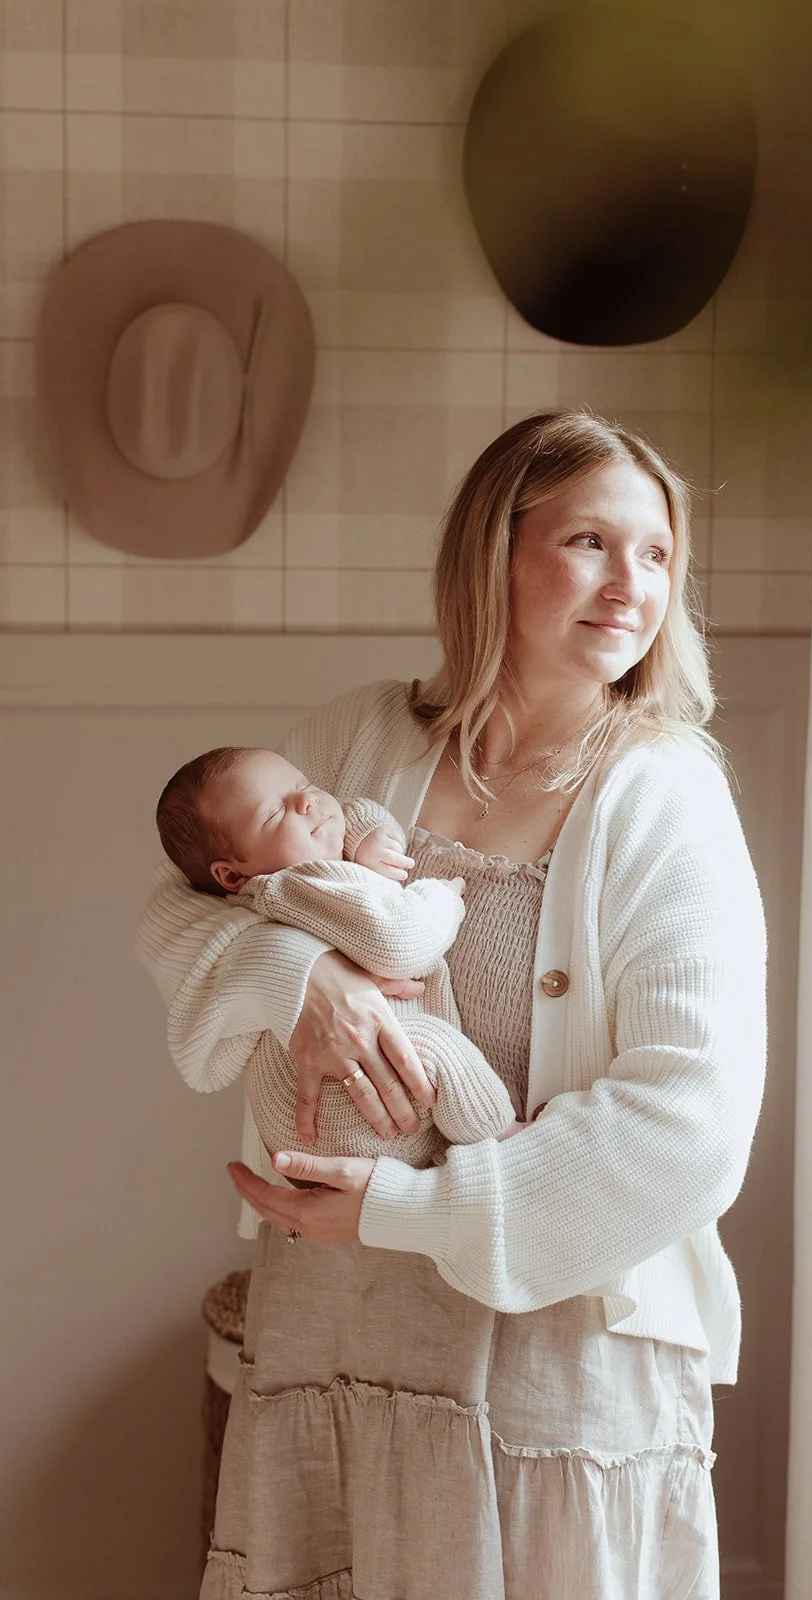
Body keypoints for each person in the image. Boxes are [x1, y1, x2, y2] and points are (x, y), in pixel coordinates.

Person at [136, 409, 767, 1600]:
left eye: (656, 552)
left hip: (558, 1353)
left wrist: (405, 1207)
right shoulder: (358, 739)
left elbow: (693, 1123)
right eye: (589, 541)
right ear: (495, 553)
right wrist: (303, 980)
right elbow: (182, 910)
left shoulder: (666, 793)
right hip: (336, 1338)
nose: (630, 584)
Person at [152, 744, 517, 1171]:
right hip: (353, 1114)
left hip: (303, 1131)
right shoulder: (303, 883)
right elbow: (401, 941)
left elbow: (348, 809)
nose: (306, 801)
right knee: (436, 1048)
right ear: (232, 874)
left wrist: (365, 836)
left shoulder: (275, 883)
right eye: (275, 813)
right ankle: (501, 1133)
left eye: (304, 784)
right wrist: (442, 897)